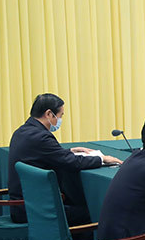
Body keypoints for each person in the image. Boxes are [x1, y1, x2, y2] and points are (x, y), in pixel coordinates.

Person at [8, 93, 121, 224]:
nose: (60, 119)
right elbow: (71, 162)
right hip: (35, 210)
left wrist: (69, 151)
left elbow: (46, 154)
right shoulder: (41, 137)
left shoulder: (22, 131)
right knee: (94, 212)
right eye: (60, 115)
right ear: (49, 114)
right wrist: (101, 159)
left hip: (24, 205)